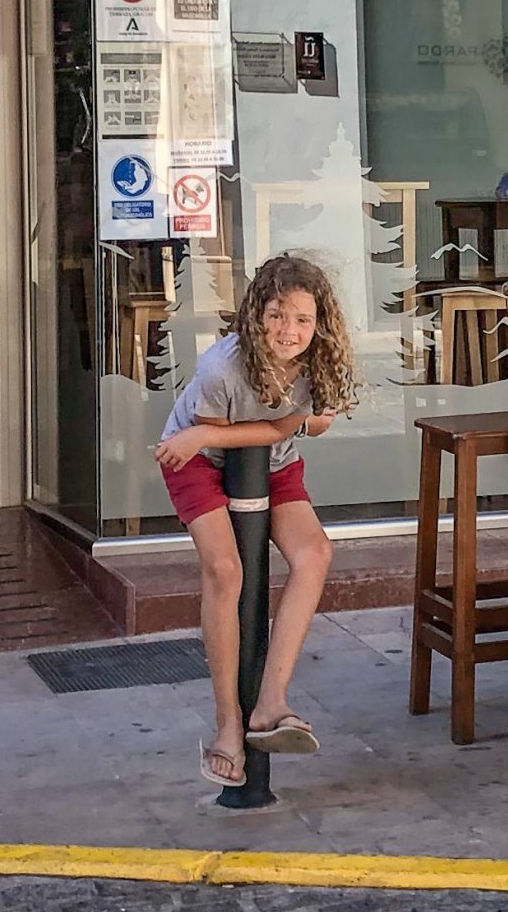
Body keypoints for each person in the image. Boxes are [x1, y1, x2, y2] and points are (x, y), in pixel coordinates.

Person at [153, 252, 360, 788]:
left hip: (273, 462)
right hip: (194, 460)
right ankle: (227, 723)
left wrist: (288, 427)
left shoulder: (323, 361)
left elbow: (317, 424)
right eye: (275, 315)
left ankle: (271, 702)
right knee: (225, 570)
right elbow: (208, 437)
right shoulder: (222, 367)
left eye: (302, 319)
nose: (288, 331)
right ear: (254, 315)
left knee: (315, 554)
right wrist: (281, 425)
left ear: (320, 323)